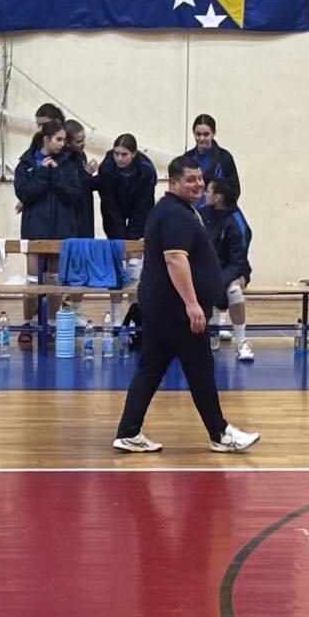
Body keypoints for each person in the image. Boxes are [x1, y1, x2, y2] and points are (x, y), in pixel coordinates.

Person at [112, 157, 259, 455]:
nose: (198, 184)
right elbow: (175, 259)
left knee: (151, 369)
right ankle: (220, 434)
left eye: (200, 179)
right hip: (176, 311)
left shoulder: (180, 210)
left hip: (162, 308)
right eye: (190, 180)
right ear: (173, 182)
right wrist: (192, 305)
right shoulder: (174, 214)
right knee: (200, 370)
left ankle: (128, 433)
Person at [14, 120, 79, 343]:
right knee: (33, 280)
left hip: (60, 230)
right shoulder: (26, 164)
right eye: (58, 139)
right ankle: (27, 324)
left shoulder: (68, 164)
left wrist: (56, 173)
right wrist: (42, 172)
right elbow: (25, 194)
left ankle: (51, 324)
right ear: (46, 139)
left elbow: (73, 194)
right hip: (35, 229)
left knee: (54, 280)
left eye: (64, 140)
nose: (62, 144)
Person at [201, 179, 254, 362]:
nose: (204, 194)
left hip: (234, 270)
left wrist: (219, 281)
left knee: (233, 290)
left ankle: (241, 342)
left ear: (218, 197)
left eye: (208, 191)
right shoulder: (202, 214)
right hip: (208, 269)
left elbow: (238, 262)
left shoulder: (237, 222)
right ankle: (210, 333)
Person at [183, 114, 239, 208]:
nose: (201, 138)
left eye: (206, 134)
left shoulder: (224, 158)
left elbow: (234, 190)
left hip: (216, 213)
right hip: (191, 213)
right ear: (193, 133)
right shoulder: (187, 158)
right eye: (198, 134)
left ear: (213, 133)